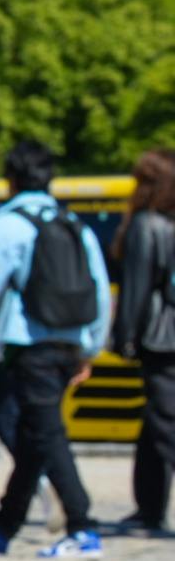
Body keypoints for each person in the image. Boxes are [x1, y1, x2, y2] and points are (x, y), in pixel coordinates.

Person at [0, 139, 104, 558]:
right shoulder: (73, 223)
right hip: (68, 341)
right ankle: (4, 526)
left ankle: (82, 526)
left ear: (11, 179)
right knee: (33, 434)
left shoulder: (6, 225)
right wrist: (90, 347)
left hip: (27, 343)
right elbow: (99, 288)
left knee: (47, 432)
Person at [113, 150, 175, 538]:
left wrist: (124, 338)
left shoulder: (146, 225)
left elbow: (135, 289)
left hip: (161, 338)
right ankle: (148, 506)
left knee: (165, 425)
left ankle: (149, 508)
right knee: (155, 426)